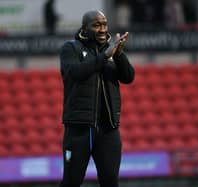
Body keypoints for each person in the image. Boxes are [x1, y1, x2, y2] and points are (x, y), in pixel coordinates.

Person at [59, 10, 135, 187]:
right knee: (71, 182)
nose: (102, 29)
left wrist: (119, 54)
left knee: (110, 182)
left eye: (104, 25)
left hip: (108, 130)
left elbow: (128, 77)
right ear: (85, 29)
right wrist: (105, 56)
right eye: (96, 25)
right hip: (78, 130)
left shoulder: (110, 51)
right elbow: (76, 73)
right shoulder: (71, 48)